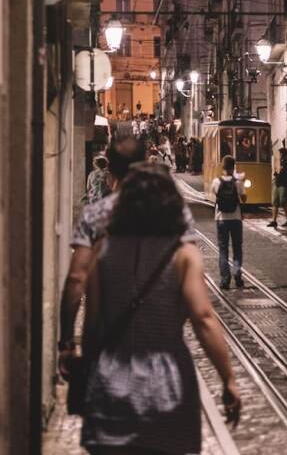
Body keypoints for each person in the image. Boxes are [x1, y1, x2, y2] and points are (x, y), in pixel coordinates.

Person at [80, 165, 241, 453]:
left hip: (110, 381)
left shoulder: (101, 251)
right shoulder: (184, 255)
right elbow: (203, 319)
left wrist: (90, 376)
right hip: (168, 381)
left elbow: (92, 324)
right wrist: (228, 378)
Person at [58, 136, 196, 375]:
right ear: (144, 164)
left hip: (107, 354)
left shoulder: (95, 215)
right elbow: (198, 303)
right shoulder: (174, 212)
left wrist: (67, 341)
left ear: (109, 169)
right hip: (163, 356)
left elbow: (76, 279)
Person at [211, 155, 246, 289]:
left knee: (223, 249)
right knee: (237, 249)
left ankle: (225, 280)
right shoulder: (237, 182)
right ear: (233, 167)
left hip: (221, 219)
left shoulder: (216, 182)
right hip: (236, 219)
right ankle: (237, 274)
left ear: (223, 166)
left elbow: (215, 195)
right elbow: (244, 199)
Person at [267, 147, 287, 229]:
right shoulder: (279, 161)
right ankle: (274, 221)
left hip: (284, 184)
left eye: (279, 153)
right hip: (277, 183)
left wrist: (278, 169)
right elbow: (276, 171)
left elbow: (281, 171)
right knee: (275, 202)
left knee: (282, 202)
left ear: (282, 154)